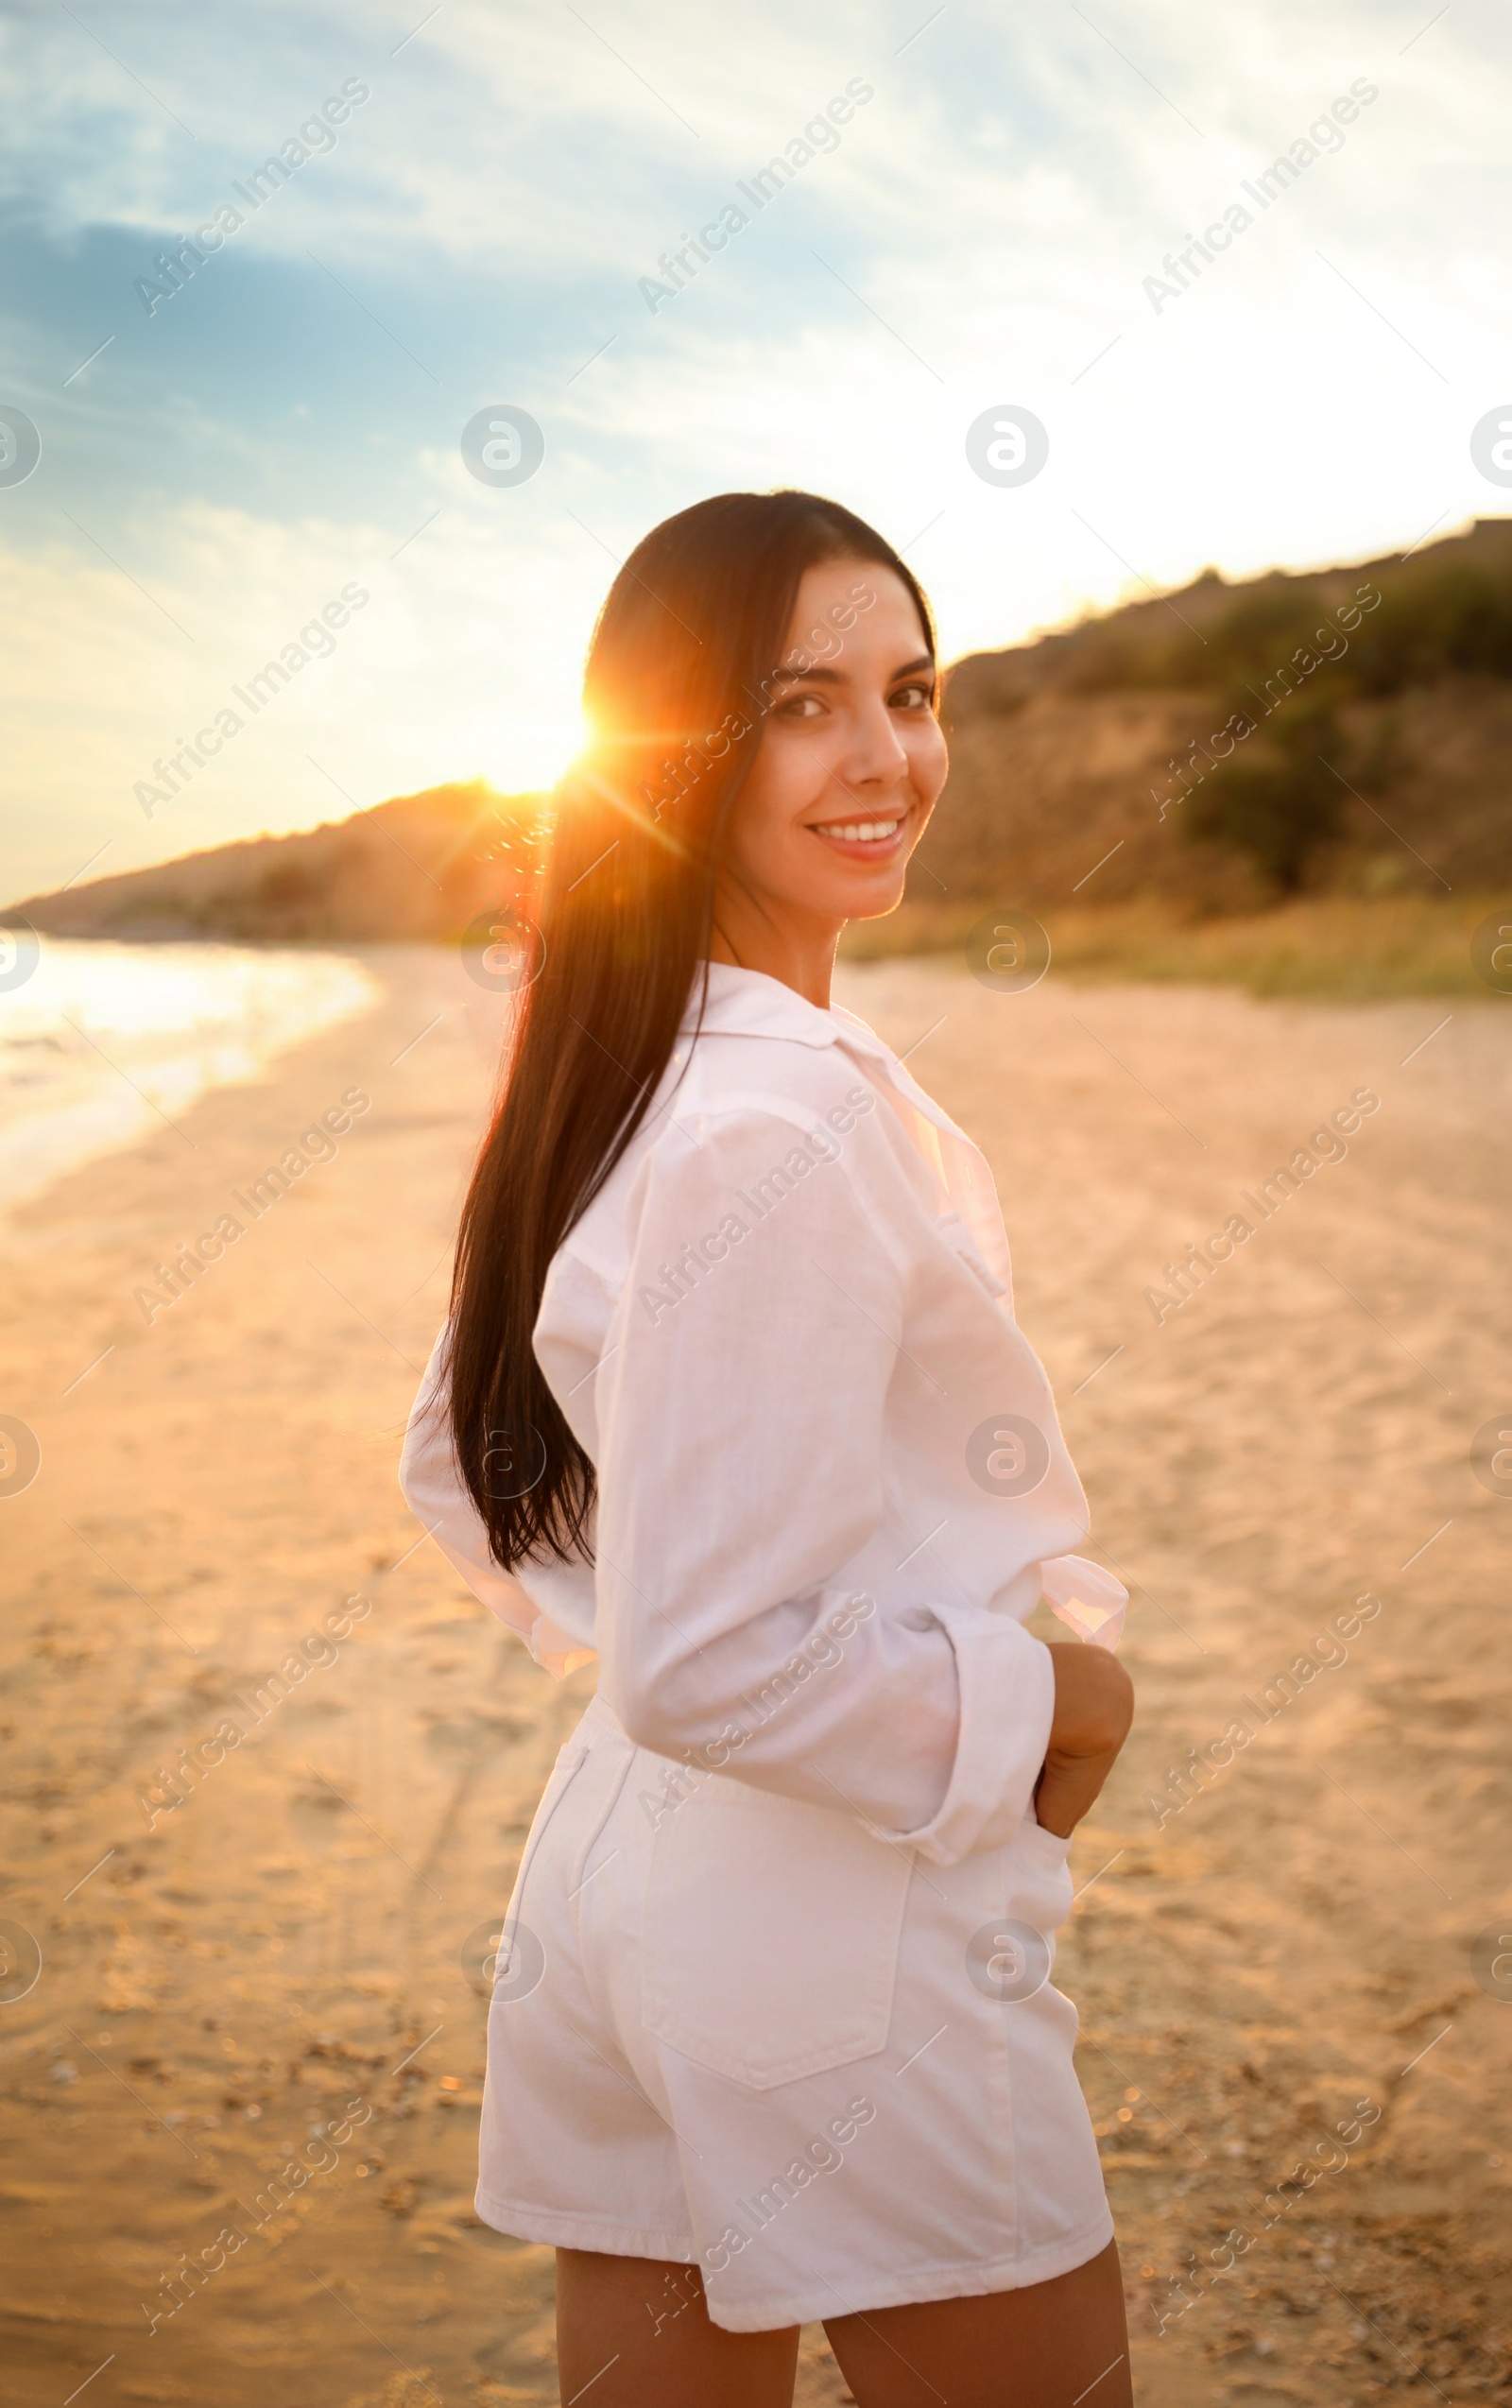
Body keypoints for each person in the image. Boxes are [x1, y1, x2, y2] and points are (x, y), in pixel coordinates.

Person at [399, 490, 1136, 2407]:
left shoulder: (615, 1070)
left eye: (909, 688)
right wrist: (1050, 1694)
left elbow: (460, 1464)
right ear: (679, 749)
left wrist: (643, 1600)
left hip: (608, 1876)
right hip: (830, 1923)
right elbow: (711, 1653)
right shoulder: (773, 1120)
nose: (884, 753)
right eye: (800, 701)